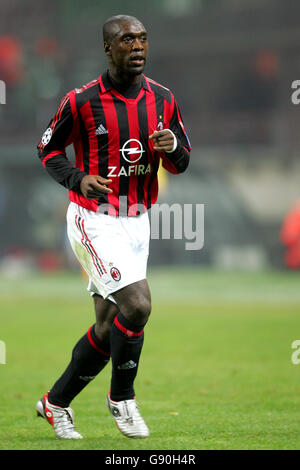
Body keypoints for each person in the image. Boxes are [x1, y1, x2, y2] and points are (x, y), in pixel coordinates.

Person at [36, 14, 191, 440]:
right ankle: (122, 398)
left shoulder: (163, 99)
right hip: (94, 219)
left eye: (142, 39)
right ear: (109, 49)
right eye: (127, 40)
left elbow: (182, 159)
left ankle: (55, 403)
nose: (137, 47)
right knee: (138, 306)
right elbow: (47, 150)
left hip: (138, 221)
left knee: (109, 325)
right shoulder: (82, 100)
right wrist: (77, 178)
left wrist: (172, 146)